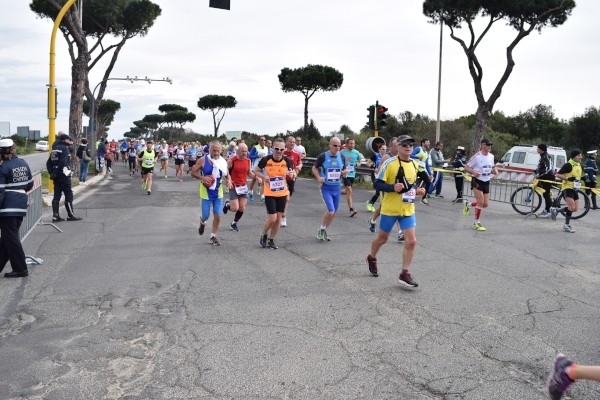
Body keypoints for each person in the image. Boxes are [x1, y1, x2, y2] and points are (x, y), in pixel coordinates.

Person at [365, 134, 428, 287]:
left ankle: (404, 274)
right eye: (404, 144)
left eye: (410, 145)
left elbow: (426, 180)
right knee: (382, 239)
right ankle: (371, 257)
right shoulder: (389, 163)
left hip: (407, 209)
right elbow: (377, 184)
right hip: (390, 209)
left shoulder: (415, 164)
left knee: (411, 241)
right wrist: (392, 187)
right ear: (397, 147)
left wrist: (421, 190)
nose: (408, 147)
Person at [0, 138, 34, 278]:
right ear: (14, 149)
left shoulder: (3, 167)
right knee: (8, 238)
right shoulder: (23, 163)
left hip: (7, 208)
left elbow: (0, 191)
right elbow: (30, 185)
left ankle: (20, 268)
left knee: (11, 238)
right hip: (20, 205)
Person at [255, 138, 295, 249]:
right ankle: (264, 234)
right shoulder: (266, 159)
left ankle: (271, 240)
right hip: (269, 192)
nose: (279, 151)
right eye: (277, 148)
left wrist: (292, 174)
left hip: (282, 192)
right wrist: (264, 177)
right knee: (272, 218)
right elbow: (256, 171)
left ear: (284, 149)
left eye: (281, 149)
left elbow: (292, 173)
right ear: (272, 148)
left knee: (278, 218)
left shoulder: (287, 160)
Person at [191, 141, 229, 246]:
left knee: (217, 215)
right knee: (206, 216)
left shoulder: (223, 161)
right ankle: (202, 222)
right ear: (210, 150)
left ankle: (213, 236)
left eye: (218, 150)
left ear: (221, 150)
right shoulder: (203, 160)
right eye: (214, 150)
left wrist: (229, 180)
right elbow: (193, 172)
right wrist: (202, 177)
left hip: (218, 192)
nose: (216, 153)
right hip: (206, 192)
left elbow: (227, 173)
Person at [311, 137, 347, 241]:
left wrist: (344, 174)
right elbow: (314, 168)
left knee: (333, 213)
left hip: (337, 187)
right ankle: (321, 229)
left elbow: (343, 171)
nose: (337, 147)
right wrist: (318, 177)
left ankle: (323, 230)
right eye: (335, 145)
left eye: (339, 145)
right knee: (331, 211)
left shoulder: (342, 157)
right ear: (330, 145)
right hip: (326, 187)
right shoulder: (323, 156)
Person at [462, 138, 498, 231]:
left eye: (490, 145)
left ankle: (468, 204)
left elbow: (492, 167)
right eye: (488, 145)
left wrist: (495, 171)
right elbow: (466, 167)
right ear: (482, 145)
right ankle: (476, 223)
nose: (489, 147)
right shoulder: (477, 156)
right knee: (480, 202)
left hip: (486, 181)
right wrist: (473, 172)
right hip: (477, 181)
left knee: (485, 204)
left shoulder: (491, 156)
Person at [47, 133, 83, 222]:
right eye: (69, 140)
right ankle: (70, 215)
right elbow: (62, 163)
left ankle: (55, 216)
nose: (71, 142)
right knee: (68, 194)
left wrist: (52, 173)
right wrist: (59, 172)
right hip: (63, 175)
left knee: (56, 196)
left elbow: (48, 163)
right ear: (66, 140)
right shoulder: (65, 149)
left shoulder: (54, 149)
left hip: (55, 175)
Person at [550, 149, 584, 233]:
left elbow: (576, 177)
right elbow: (557, 174)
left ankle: (556, 210)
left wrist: (583, 178)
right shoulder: (568, 165)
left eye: (581, 155)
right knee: (571, 207)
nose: (581, 157)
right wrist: (567, 178)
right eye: (579, 155)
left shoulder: (579, 165)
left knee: (575, 209)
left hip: (575, 189)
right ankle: (566, 225)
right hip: (567, 188)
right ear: (574, 156)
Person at [223, 143, 254, 231]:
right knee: (234, 208)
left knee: (242, 208)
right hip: (233, 186)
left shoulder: (248, 161)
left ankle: (234, 223)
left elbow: (249, 173)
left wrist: (257, 177)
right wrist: (228, 180)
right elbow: (226, 171)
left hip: (243, 187)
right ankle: (228, 204)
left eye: (246, 151)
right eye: (242, 151)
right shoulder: (231, 160)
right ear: (237, 151)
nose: (244, 153)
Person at [281, 135, 302, 227]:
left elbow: (300, 163)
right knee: (286, 198)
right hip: (282, 179)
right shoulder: (282, 152)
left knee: (287, 198)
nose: (292, 143)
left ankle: (281, 214)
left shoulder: (297, 154)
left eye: (293, 142)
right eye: (290, 142)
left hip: (291, 179)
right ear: (286, 142)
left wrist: (298, 167)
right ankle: (283, 216)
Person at [340, 138, 364, 217]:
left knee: (347, 191)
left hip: (352, 174)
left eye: (353, 143)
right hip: (345, 174)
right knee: (350, 190)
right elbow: (338, 161)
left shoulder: (356, 152)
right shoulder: (342, 152)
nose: (352, 145)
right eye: (350, 143)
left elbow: (359, 161)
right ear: (346, 144)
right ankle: (351, 209)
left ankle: (335, 192)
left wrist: (358, 163)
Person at [535, 143, 556, 217]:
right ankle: (548, 209)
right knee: (545, 194)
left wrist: (539, 174)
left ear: (541, 149)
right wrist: (536, 171)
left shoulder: (546, 156)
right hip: (544, 177)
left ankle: (549, 211)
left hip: (548, 177)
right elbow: (541, 167)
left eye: (538, 148)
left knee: (546, 194)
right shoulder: (542, 156)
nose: (537, 149)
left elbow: (548, 168)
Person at [410, 138, 433, 205]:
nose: (428, 143)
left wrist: (430, 173)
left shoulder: (426, 153)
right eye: (427, 142)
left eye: (429, 142)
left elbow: (426, 164)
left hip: (421, 170)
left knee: (428, 182)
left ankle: (423, 198)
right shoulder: (418, 149)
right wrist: (417, 157)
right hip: (414, 169)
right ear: (423, 143)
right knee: (411, 182)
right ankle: (408, 196)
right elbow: (410, 155)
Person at [366, 144, 387, 212]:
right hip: (375, 175)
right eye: (383, 149)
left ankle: (383, 206)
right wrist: (374, 168)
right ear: (379, 149)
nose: (384, 150)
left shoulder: (387, 156)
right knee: (378, 191)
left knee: (382, 191)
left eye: (385, 149)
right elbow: (367, 163)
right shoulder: (375, 156)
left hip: (383, 175)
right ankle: (370, 204)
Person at [248, 137, 269, 202]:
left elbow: (267, 157)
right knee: (254, 180)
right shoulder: (255, 147)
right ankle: (250, 192)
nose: (263, 141)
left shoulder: (266, 148)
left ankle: (263, 196)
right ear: (259, 141)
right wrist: (258, 156)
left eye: (264, 140)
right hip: (255, 167)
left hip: (263, 167)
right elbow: (249, 156)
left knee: (263, 180)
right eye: (261, 140)